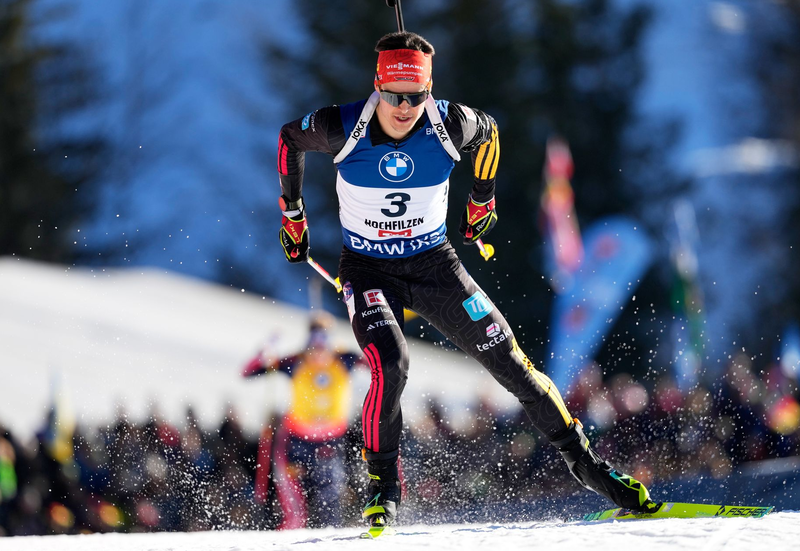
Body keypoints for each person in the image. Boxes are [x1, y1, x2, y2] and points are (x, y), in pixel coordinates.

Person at [276, 31, 657, 530]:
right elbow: (288, 139)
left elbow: (490, 134)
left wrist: (482, 201)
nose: (404, 107)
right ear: (377, 87)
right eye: (394, 95)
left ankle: (588, 467)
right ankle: (383, 489)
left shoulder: (448, 122)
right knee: (390, 361)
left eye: (416, 96)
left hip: (436, 265)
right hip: (369, 270)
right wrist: (293, 215)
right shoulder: (342, 125)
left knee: (512, 363)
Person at [241, 311, 363, 528]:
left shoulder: (345, 359)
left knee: (330, 503)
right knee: (295, 511)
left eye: (324, 343)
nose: (318, 352)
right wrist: (264, 351)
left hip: (330, 441)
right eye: (313, 345)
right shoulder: (295, 362)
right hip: (296, 443)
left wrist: (366, 341)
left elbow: (381, 364)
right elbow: (248, 372)